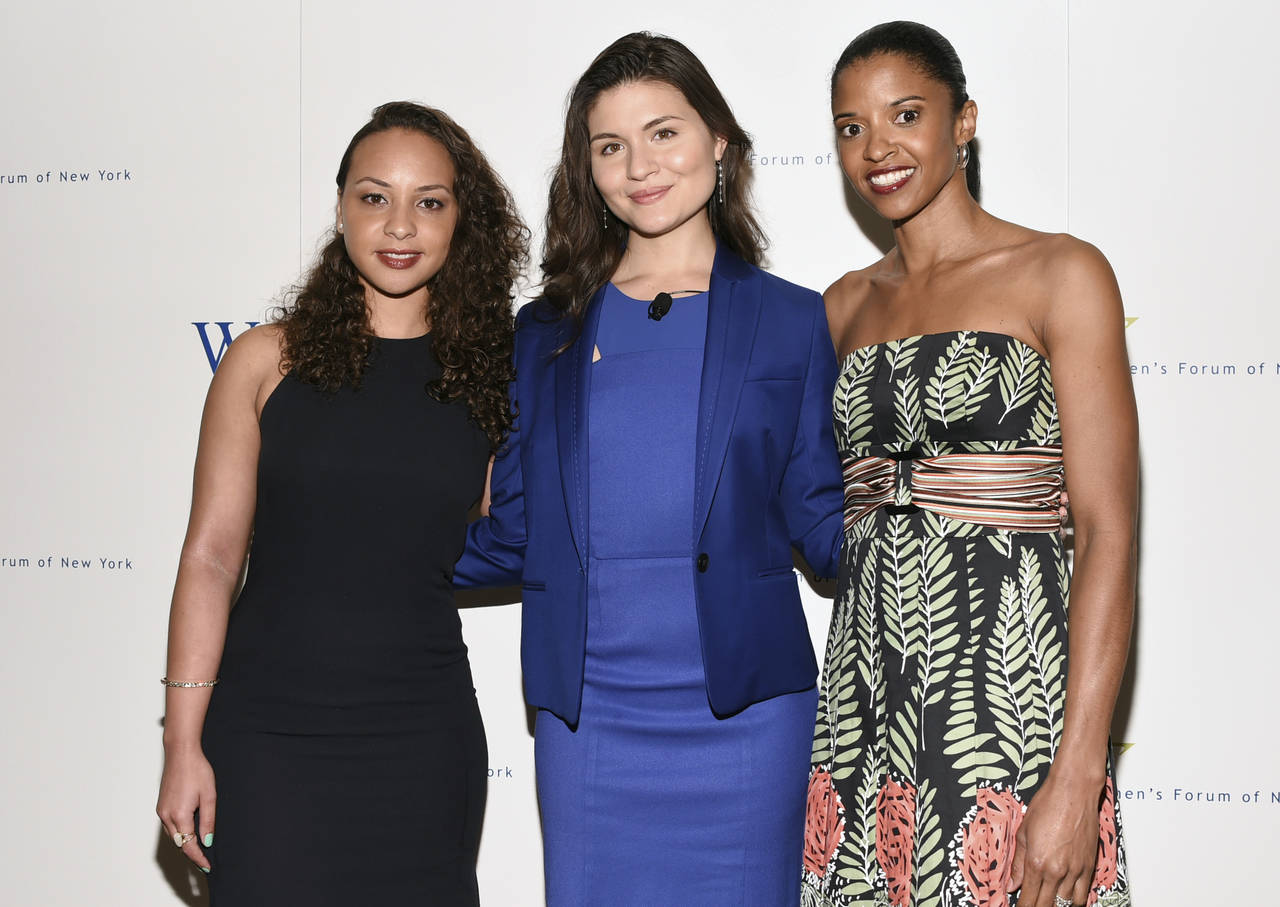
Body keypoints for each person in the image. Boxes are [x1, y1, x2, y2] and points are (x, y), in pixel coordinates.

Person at [454, 32, 846, 906]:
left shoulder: (791, 320)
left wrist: (950, 514)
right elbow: (514, 531)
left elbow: (823, 525)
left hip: (750, 715)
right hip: (590, 714)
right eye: (611, 146)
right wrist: (354, 549)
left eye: (664, 132)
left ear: (720, 141)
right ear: (587, 169)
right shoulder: (544, 333)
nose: (640, 166)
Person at [155, 101, 526, 905]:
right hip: (266, 734)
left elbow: (506, 529)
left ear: (461, 220)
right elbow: (211, 558)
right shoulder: (264, 361)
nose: (400, 225)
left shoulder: (494, 377)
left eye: (430, 201)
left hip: (421, 735)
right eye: (374, 196)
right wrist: (182, 741)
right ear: (340, 207)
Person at [802, 22, 1135, 907]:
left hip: (1011, 698)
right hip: (864, 703)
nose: (877, 148)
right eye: (851, 127)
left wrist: (1080, 771)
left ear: (964, 121)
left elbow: (1108, 531)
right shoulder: (840, 307)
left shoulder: (1061, 273)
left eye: (906, 115)